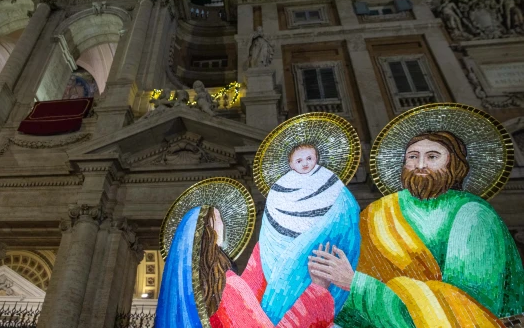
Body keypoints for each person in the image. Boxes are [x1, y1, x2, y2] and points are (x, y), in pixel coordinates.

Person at [311, 131, 524, 327]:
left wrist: (357, 285)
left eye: (432, 157)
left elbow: (467, 305)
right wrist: (325, 285)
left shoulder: (473, 214)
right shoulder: (378, 212)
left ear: (454, 164)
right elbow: (347, 294)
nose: (420, 164)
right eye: (412, 157)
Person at [155, 205, 336, 328]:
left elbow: (246, 295)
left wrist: (265, 248)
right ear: (209, 228)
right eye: (218, 219)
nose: (223, 224)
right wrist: (317, 291)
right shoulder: (226, 285)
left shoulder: (186, 294)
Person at [257, 144, 360, 324]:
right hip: (287, 256)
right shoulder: (279, 188)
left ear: (316, 158)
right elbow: (271, 232)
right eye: (299, 160)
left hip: (327, 254)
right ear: (290, 164)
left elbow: (347, 214)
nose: (305, 163)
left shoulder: (331, 180)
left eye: (309, 159)